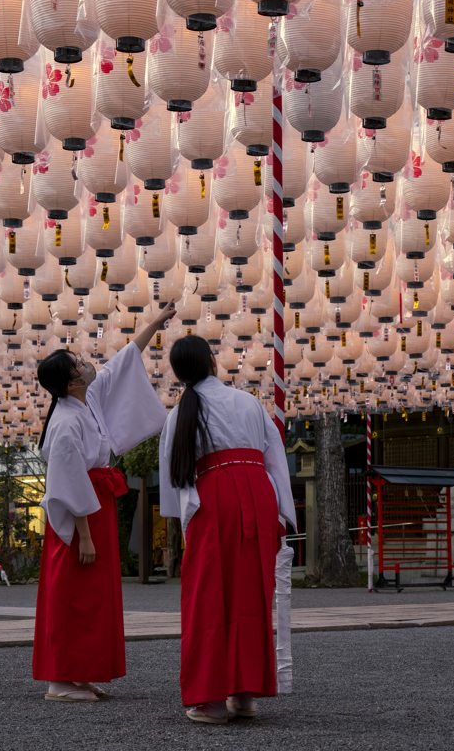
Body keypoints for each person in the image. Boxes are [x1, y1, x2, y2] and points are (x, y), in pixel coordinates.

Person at [32, 301, 176, 702]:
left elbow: (125, 358)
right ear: (71, 381)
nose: (86, 363)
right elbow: (67, 482)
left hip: (95, 504)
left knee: (91, 597)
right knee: (72, 596)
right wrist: (85, 535)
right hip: (81, 515)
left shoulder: (83, 399)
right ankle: (60, 679)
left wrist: (158, 320)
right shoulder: (65, 422)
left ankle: (79, 673)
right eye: (78, 363)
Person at [159, 335, 295, 724]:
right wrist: (282, 511)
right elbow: (274, 455)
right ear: (212, 362)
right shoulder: (249, 401)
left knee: (209, 596)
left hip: (213, 496)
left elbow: (174, 482)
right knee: (253, 593)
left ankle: (212, 700)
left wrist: (184, 523)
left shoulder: (180, 414)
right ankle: (245, 694)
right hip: (257, 492)